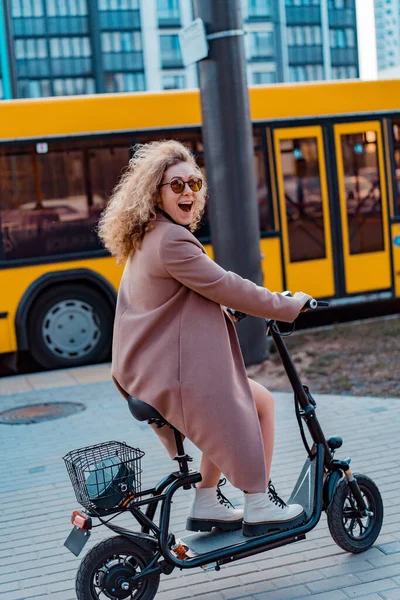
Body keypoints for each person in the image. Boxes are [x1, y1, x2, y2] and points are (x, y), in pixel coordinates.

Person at [98, 140, 311, 537]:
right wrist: (287, 306)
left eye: (194, 184)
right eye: (176, 186)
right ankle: (259, 502)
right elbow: (225, 284)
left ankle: (207, 499)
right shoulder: (172, 241)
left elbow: (185, 296)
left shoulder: (149, 236)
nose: (188, 193)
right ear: (154, 193)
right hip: (165, 375)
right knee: (254, 401)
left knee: (228, 406)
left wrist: (222, 309)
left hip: (145, 370)